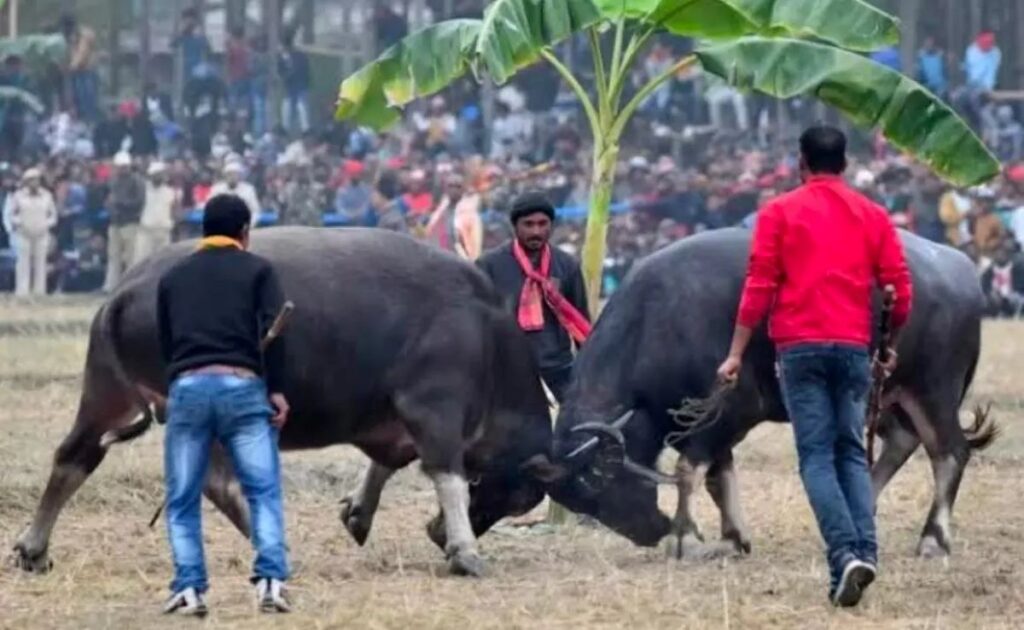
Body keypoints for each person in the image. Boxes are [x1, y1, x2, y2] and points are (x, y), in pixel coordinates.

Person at [716, 126, 912, 607]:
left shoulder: (778, 212)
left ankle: (845, 554)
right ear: (844, 163)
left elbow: (758, 286)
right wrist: (889, 343)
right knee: (849, 453)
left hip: (800, 350)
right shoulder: (873, 215)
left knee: (818, 458)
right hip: (852, 348)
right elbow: (900, 289)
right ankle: (864, 551)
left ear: (801, 162)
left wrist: (737, 352)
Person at [156, 194, 291, 616]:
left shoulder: (173, 277)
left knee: (182, 499)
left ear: (203, 231)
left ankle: (190, 588)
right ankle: (271, 582)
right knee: (262, 492)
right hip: (243, 387)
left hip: (189, 389)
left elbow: (166, 342)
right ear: (245, 233)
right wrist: (278, 389)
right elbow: (277, 331)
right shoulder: (259, 269)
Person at [476, 192, 590, 403]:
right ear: (515, 226)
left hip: (558, 364)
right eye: (528, 224)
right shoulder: (489, 266)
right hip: (510, 368)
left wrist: (590, 370)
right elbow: (478, 322)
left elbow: (581, 321)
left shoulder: (567, 265)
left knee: (578, 424)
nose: (536, 231)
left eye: (542, 224)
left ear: (551, 225)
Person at [8, 169, 57, 296]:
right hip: (24, 233)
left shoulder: (47, 195)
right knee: (23, 262)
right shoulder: (18, 196)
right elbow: (11, 214)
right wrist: (20, 223)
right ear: (26, 181)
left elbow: (53, 215)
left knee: (40, 262)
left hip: (41, 233)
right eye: (32, 180)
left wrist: (45, 224)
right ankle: (22, 291)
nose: (35, 182)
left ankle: (39, 291)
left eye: (37, 179)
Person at [104, 152, 145, 291]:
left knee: (130, 257)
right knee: (113, 256)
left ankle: (129, 286)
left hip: (130, 222)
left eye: (124, 166)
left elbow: (139, 202)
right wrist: (110, 206)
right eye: (120, 167)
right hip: (115, 222)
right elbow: (110, 200)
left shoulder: (137, 181)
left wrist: (119, 203)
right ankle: (111, 286)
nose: (122, 169)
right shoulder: (114, 181)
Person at [424, 173, 483, 261]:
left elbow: (475, 246)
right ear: (445, 189)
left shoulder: (470, 215)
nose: (454, 190)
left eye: (458, 186)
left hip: (459, 262)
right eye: (450, 186)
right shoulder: (439, 212)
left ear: (464, 189)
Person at [135, 162, 180, 264]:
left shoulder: (170, 192)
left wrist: (173, 222)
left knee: (162, 263)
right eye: (156, 174)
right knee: (142, 262)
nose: (159, 177)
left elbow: (175, 210)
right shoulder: (143, 189)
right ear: (151, 175)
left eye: (161, 174)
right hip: (146, 231)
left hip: (163, 232)